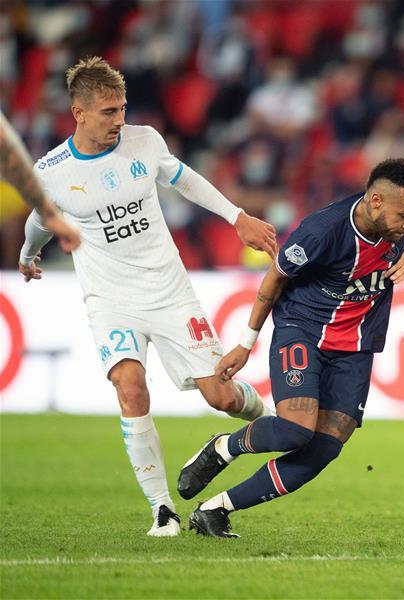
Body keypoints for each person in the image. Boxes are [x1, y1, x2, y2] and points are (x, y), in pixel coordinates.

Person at [17, 56, 280, 537]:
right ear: (78, 112)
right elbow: (39, 219)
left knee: (222, 396)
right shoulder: (51, 170)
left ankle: (270, 419)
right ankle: (163, 510)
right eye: (107, 112)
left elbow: (185, 180)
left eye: (121, 109)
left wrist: (236, 216)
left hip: (169, 292)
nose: (119, 120)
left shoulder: (145, 141)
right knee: (130, 386)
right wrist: (28, 253)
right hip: (110, 299)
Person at [178, 156, 404, 537]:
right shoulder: (320, 232)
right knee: (296, 431)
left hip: (357, 344)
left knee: (325, 448)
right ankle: (225, 447)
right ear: (376, 201)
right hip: (303, 330)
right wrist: (246, 344)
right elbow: (273, 282)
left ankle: (217, 509)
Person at [1, 110, 81, 256]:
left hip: (12, 187)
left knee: (15, 223)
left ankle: (11, 270)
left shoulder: (49, 132)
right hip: (11, 186)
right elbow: (8, 153)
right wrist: (49, 215)